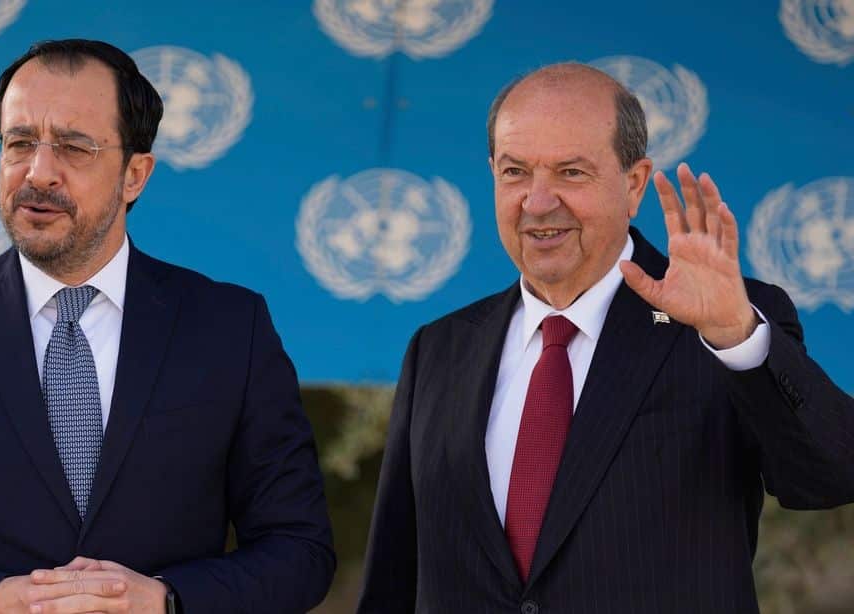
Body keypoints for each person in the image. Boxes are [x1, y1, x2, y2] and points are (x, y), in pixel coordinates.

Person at [0, 39, 334, 614]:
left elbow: (300, 551)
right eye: (20, 142)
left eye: (74, 147)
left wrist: (166, 601)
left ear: (135, 175)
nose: (39, 173)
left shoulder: (230, 330)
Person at [357, 63, 854, 613]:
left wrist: (736, 335)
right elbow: (394, 578)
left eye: (570, 173)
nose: (537, 202)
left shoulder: (723, 323)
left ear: (633, 184)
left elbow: (830, 476)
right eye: (516, 172)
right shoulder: (439, 349)